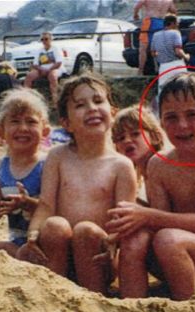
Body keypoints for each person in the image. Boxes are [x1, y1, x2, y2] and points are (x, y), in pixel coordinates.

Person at [106, 73, 195, 300]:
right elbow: (161, 222)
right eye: (171, 118)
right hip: (173, 254)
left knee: (168, 239)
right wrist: (118, 234)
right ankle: (131, 309)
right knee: (136, 238)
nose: (182, 125)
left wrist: (147, 215)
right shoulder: (159, 164)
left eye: (192, 115)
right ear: (161, 122)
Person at [22, 73, 136, 295]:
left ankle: (92, 301)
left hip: (97, 254)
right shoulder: (57, 156)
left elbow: (122, 220)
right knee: (55, 225)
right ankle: (53, 296)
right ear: (66, 123)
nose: (92, 108)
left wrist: (113, 242)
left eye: (98, 100)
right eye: (81, 105)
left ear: (112, 112)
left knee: (86, 231)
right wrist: (34, 231)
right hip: (57, 250)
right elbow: (46, 204)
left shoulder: (121, 166)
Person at [0, 88, 51, 258]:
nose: (23, 128)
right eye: (15, 121)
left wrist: (27, 203)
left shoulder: (48, 164)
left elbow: (54, 208)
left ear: (45, 130)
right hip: (16, 241)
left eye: (31, 122)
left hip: (46, 241)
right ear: (1, 132)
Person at [112, 106, 163, 205]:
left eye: (135, 134)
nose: (127, 140)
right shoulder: (135, 178)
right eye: (121, 138)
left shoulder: (164, 166)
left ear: (154, 137)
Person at [133, 0, 177, 75]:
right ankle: (161, 69)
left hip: (149, 22)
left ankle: (140, 70)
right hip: (162, 22)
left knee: (143, 48)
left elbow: (137, 5)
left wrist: (135, 15)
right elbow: (174, 11)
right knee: (160, 46)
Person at [23, 32, 66, 106]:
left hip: (55, 69)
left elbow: (58, 63)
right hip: (42, 69)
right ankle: (26, 99)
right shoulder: (39, 50)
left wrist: (48, 70)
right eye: (42, 39)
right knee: (29, 76)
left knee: (52, 76)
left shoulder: (56, 49)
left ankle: (55, 100)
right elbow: (35, 64)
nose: (44, 41)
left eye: (46, 39)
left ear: (50, 39)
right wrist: (41, 69)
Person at [151, 15, 190, 92]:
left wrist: (161, 55)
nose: (178, 25)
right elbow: (178, 51)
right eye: (177, 23)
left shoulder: (155, 35)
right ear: (172, 23)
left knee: (163, 92)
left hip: (163, 67)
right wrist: (186, 56)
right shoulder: (175, 33)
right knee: (182, 90)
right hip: (177, 64)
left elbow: (153, 53)